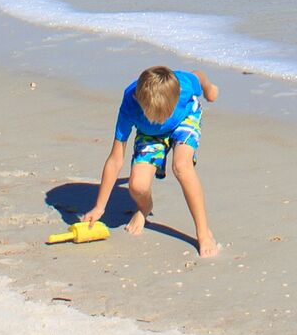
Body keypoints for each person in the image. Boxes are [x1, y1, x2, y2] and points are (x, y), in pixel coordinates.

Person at [77, 63, 220, 257]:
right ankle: (144, 208)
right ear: (138, 100)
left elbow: (198, 76)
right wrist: (99, 207)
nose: (160, 120)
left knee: (181, 166)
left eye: (164, 116)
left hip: (185, 119)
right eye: (155, 117)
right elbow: (116, 159)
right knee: (137, 186)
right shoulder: (129, 104)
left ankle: (203, 232)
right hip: (150, 134)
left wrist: (209, 89)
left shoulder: (183, 85)